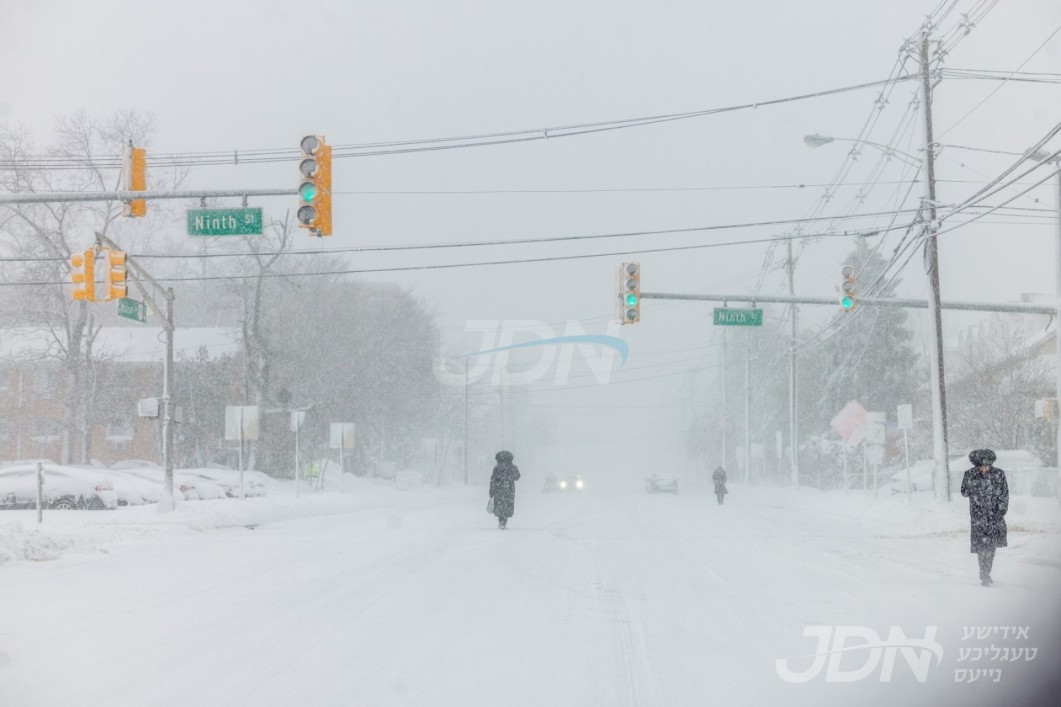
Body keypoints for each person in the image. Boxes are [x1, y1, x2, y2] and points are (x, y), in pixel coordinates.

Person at [960, 449, 1008, 586]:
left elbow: (1005, 493)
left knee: (992, 546)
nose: (985, 468)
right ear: (977, 465)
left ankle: (987, 572)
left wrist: (1001, 510)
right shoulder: (970, 474)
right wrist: (972, 481)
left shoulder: (999, 474)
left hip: (995, 516)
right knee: (981, 547)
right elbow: (964, 492)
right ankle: (983, 573)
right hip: (978, 516)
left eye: (988, 465)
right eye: (982, 466)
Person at [489, 450, 521, 530]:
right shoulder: (512, 467)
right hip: (509, 489)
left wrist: (491, 490)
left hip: (498, 489)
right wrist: (510, 478)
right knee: (507, 505)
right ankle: (504, 521)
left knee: (500, 505)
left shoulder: (497, 467)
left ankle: (501, 521)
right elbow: (517, 477)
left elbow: (493, 479)